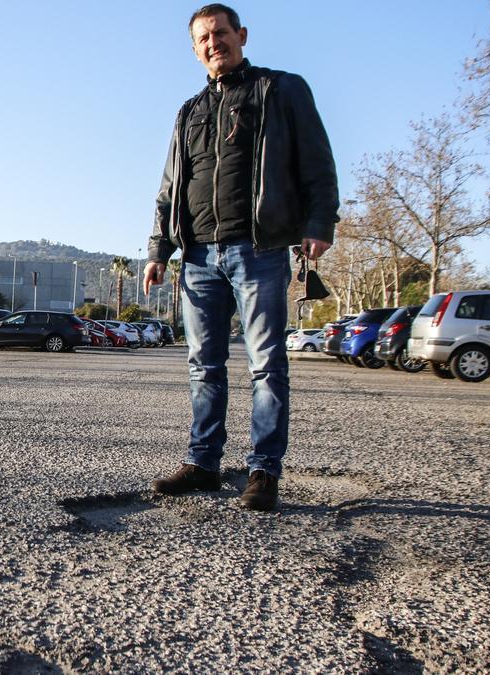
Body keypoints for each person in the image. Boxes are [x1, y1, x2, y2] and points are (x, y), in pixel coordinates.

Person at [146, 4, 339, 511]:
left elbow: (317, 161)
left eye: (221, 33)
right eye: (203, 39)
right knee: (203, 366)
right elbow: (170, 187)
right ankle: (203, 463)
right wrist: (158, 250)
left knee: (266, 365)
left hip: (260, 250)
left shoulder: (280, 90)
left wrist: (319, 224)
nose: (214, 43)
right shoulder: (189, 111)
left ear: (241, 35)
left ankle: (263, 472)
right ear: (195, 50)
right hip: (199, 257)